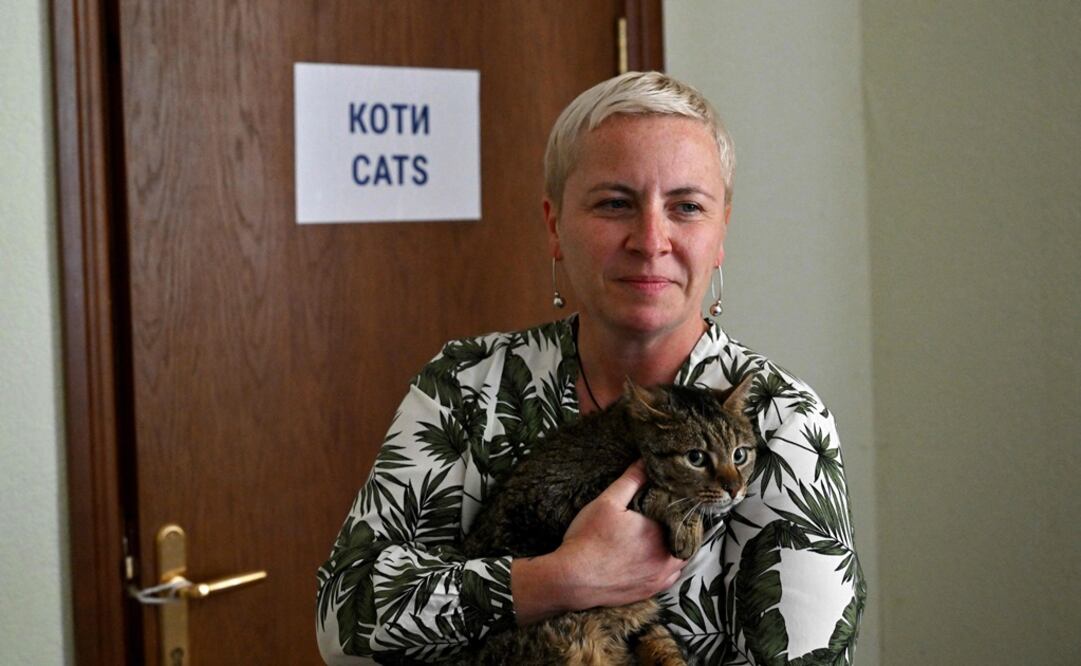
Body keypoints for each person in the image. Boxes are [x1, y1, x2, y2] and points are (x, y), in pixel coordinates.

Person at [316, 71, 865, 665]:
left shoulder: (784, 422)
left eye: (686, 206)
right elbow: (345, 623)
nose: (651, 239)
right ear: (555, 226)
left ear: (721, 233)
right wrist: (561, 578)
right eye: (614, 203)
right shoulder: (467, 386)